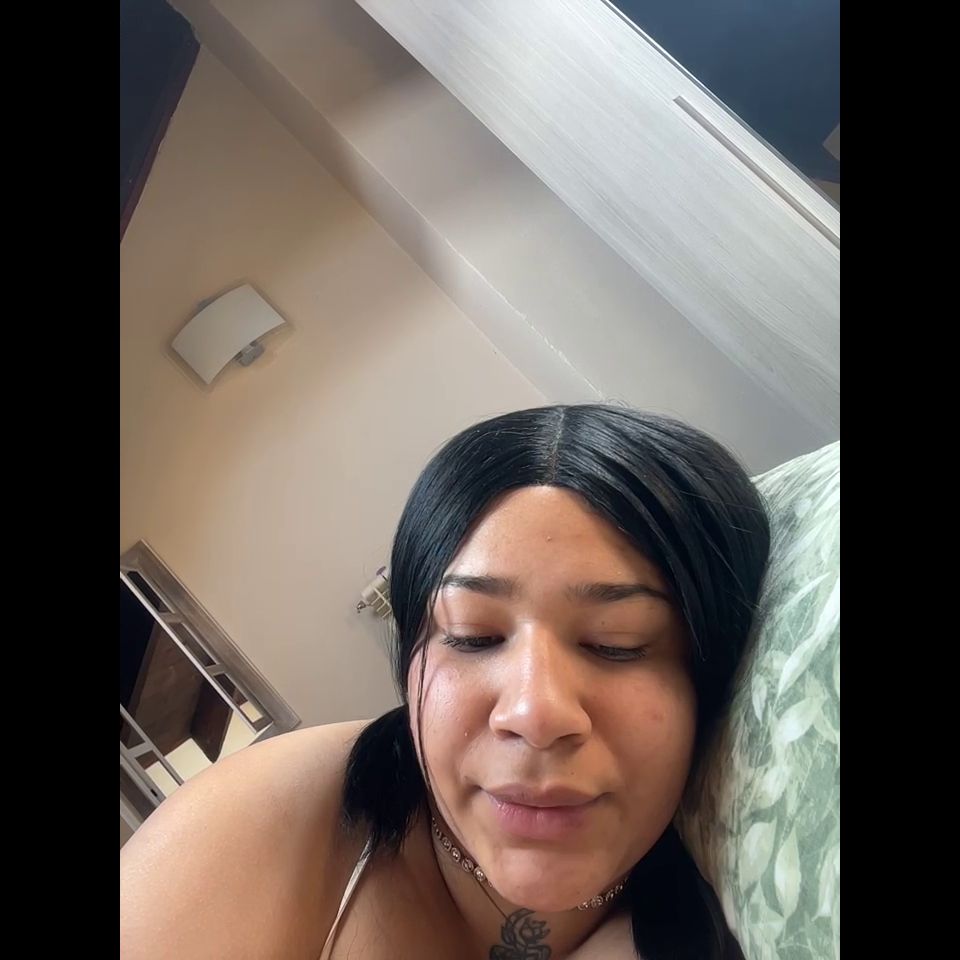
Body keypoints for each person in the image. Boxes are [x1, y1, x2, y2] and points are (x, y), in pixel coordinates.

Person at [121, 404, 769, 959]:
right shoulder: (256, 827)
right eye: (472, 636)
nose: (534, 713)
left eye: (614, 643)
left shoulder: (746, 899)